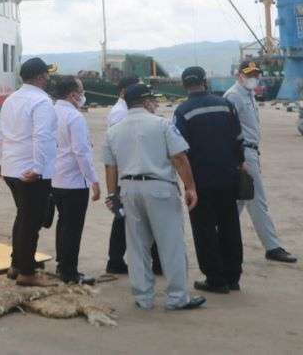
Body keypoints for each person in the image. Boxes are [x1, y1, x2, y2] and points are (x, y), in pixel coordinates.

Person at [103, 83, 204, 311]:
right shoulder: (161, 124)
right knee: (171, 244)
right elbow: (179, 158)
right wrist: (190, 187)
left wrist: (112, 194)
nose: (155, 104)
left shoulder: (114, 130)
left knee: (137, 246)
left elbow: (111, 167)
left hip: (128, 189)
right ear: (146, 101)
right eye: (153, 100)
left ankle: (143, 297)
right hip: (159, 188)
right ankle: (177, 297)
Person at [173, 66, 244, 293]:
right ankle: (233, 277)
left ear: (184, 85)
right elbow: (238, 139)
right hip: (228, 177)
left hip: (200, 181)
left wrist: (187, 183)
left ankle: (215, 279)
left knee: (204, 230)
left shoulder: (182, 111)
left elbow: (179, 150)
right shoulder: (226, 104)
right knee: (229, 225)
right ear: (205, 81)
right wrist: (238, 163)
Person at [225, 60, 297, 263]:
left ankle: (220, 240)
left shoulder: (249, 94)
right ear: (239, 75)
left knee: (238, 202)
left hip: (251, 153)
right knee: (257, 200)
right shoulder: (233, 96)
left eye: (256, 74)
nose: (253, 78)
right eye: (249, 75)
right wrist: (239, 159)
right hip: (244, 154)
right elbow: (228, 131)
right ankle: (272, 247)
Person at [0, 57, 57, 286]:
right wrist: (39, 169)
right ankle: (27, 273)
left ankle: (16, 264)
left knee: (23, 216)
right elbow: (42, 136)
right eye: (47, 75)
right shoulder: (42, 102)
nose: (49, 79)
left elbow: (0, 132)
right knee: (32, 221)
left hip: (11, 167)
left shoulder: (11, 99)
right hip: (31, 169)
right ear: (41, 77)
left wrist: (0, 161)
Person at [106, 74, 161, 275]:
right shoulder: (121, 113)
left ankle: (116, 260)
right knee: (136, 218)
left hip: (128, 172)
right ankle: (150, 262)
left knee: (125, 219)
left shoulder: (121, 110)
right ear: (124, 92)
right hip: (130, 172)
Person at [50, 76, 100, 284]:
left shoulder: (51, 112)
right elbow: (81, 152)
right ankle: (70, 273)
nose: (83, 95)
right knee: (72, 228)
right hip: (73, 181)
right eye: (81, 91)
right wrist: (94, 180)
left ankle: (62, 265)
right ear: (72, 95)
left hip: (54, 178)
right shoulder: (74, 117)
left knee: (63, 225)